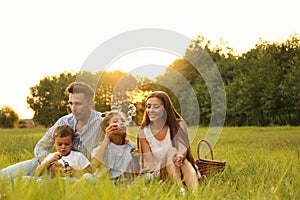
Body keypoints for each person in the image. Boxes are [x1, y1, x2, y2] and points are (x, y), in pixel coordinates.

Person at [0, 82, 103, 179]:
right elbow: (41, 147)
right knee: (3, 176)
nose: (73, 108)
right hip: (50, 164)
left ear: (90, 104)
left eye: (78, 104)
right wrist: (49, 165)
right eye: (71, 103)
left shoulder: (103, 122)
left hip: (80, 174)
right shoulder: (64, 121)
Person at [137, 91, 198, 192]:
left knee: (184, 161)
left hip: (180, 165)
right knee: (172, 151)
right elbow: (150, 162)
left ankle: (194, 193)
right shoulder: (144, 131)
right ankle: (180, 188)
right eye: (148, 106)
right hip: (160, 172)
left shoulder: (179, 124)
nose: (151, 110)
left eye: (156, 107)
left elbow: (183, 146)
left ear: (165, 108)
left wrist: (180, 156)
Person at [91, 109, 139, 182]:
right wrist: (107, 138)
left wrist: (137, 159)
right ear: (107, 128)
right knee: (87, 177)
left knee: (148, 177)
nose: (121, 123)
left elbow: (136, 172)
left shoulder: (132, 146)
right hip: (104, 183)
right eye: (115, 121)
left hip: (125, 182)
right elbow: (96, 164)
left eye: (123, 121)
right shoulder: (103, 146)